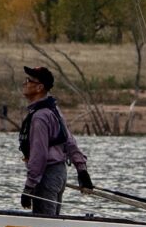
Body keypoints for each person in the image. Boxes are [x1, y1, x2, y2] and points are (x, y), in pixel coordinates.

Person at [18, 66, 92, 215]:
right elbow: (69, 141)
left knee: (44, 225)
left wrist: (29, 187)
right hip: (60, 174)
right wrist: (82, 170)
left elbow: (39, 155)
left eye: (29, 80)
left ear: (40, 87)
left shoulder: (40, 117)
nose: (25, 83)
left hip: (46, 176)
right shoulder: (53, 110)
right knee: (52, 223)